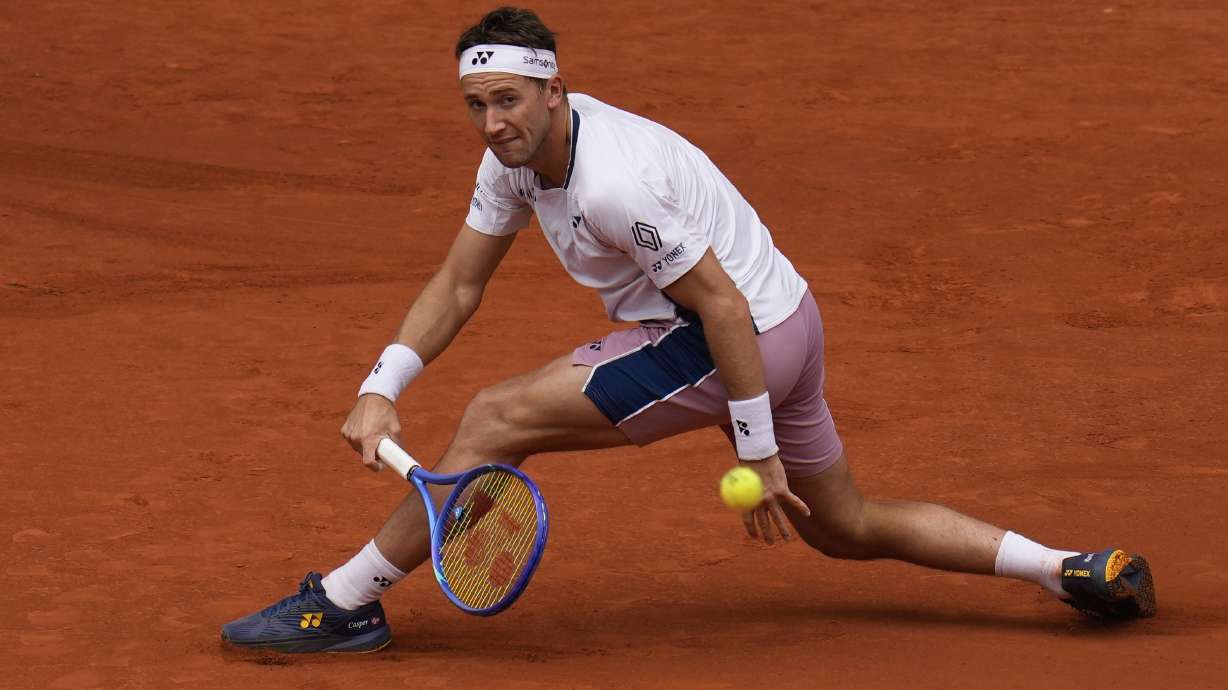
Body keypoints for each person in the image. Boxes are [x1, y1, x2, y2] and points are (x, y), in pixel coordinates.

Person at [221, 7, 1155, 654]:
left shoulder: (614, 181)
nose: (492, 122)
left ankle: (346, 605)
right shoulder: (510, 163)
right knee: (848, 527)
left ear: (554, 91)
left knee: (495, 417)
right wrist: (382, 385)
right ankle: (1063, 568)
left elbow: (721, 309)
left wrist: (755, 452)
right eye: (477, 104)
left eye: (509, 101)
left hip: (731, 335)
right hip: (789, 318)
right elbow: (461, 280)